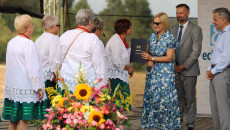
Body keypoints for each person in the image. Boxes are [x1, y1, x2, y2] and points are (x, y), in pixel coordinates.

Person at [2, 14, 47, 130]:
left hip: (13, 87)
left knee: (13, 120)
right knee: (23, 120)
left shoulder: (11, 42)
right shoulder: (28, 44)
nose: (33, 27)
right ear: (27, 27)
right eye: (32, 25)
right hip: (25, 87)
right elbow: (33, 69)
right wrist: (38, 87)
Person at [141, 12, 181, 130]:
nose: (155, 25)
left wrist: (152, 58)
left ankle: (165, 126)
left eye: (157, 23)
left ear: (164, 23)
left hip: (165, 75)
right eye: (153, 22)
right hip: (152, 74)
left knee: (164, 100)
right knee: (152, 98)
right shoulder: (151, 36)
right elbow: (146, 53)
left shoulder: (170, 38)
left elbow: (169, 57)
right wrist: (147, 60)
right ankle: (153, 126)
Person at [55, 9, 108, 92]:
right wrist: (103, 85)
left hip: (66, 84)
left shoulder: (65, 35)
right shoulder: (93, 38)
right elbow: (99, 65)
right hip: (85, 87)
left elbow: (58, 61)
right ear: (90, 22)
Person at [170, 4, 203, 130]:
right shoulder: (172, 30)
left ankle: (190, 124)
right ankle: (178, 121)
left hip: (189, 70)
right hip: (174, 70)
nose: (179, 15)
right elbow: (169, 49)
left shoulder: (196, 29)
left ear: (188, 13)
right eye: (177, 13)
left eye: (181, 13)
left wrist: (183, 66)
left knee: (190, 99)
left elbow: (196, 52)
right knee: (178, 98)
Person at [206, 8, 230, 130]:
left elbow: (226, 58)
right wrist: (209, 69)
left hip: (223, 73)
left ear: (223, 19)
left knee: (223, 108)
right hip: (216, 73)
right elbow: (216, 55)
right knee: (215, 107)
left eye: (215, 19)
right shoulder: (222, 34)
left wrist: (213, 71)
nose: (213, 22)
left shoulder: (229, 34)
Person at [105, 19, 134, 112]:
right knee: (116, 106)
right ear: (125, 29)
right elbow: (117, 61)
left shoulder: (122, 40)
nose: (131, 29)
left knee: (120, 107)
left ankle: (118, 124)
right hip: (115, 78)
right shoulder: (116, 41)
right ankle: (116, 125)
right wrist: (128, 68)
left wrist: (128, 70)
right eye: (129, 27)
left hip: (121, 76)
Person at [35, 15, 60, 106]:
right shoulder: (54, 38)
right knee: (50, 106)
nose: (59, 28)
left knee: (42, 106)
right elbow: (53, 58)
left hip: (40, 76)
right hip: (50, 77)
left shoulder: (38, 39)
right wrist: (55, 74)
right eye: (58, 26)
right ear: (52, 27)